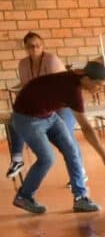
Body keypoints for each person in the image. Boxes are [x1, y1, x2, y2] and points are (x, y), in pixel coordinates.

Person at [9, 61, 105, 214]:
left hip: (48, 115)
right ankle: (24, 196)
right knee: (47, 159)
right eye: (98, 85)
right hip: (27, 118)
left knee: (72, 150)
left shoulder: (78, 77)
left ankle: (80, 198)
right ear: (86, 79)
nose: (99, 89)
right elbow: (87, 129)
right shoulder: (73, 91)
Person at [6, 32, 79, 179]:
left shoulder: (51, 60)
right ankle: (17, 160)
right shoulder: (23, 64)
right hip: (41, 105)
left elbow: (57, 87)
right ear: (25, 48)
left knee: (67, 139)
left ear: (42, 46)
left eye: (38, 45)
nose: (35, 49)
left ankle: (79, 173)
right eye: (31, 46)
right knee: (15, 121)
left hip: (61, 103)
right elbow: (28, 86)